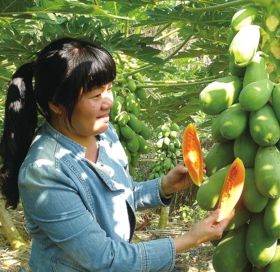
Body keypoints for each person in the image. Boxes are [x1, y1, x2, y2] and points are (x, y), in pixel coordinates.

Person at [0, 37, 233, 271]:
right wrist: (191, 238)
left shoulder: (105, 132)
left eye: (109, 89)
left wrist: (163, 187)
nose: (108, 102)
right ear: (57, 105)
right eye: (95, 96)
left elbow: (117, 196)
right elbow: (106, 259)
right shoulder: (43, 173)